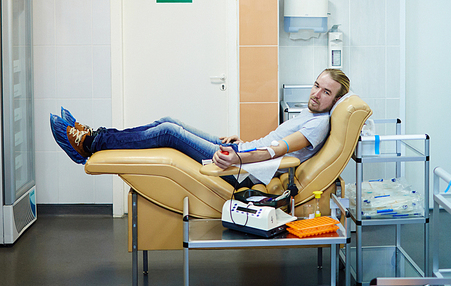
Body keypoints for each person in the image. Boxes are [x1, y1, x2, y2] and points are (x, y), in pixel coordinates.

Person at [50, 69, 350, 173]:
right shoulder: (311, 113)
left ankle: (90, 143)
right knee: (168, 120)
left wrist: (238, 157)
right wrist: (241, 142)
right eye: (316, 86)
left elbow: (278, 152)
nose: (317, 94)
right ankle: (98, 135)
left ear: (335, 100)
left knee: (167, 132)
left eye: (326, 92)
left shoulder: (319, 123)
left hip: (240, 167)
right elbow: (270, 143)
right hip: (241, 151)